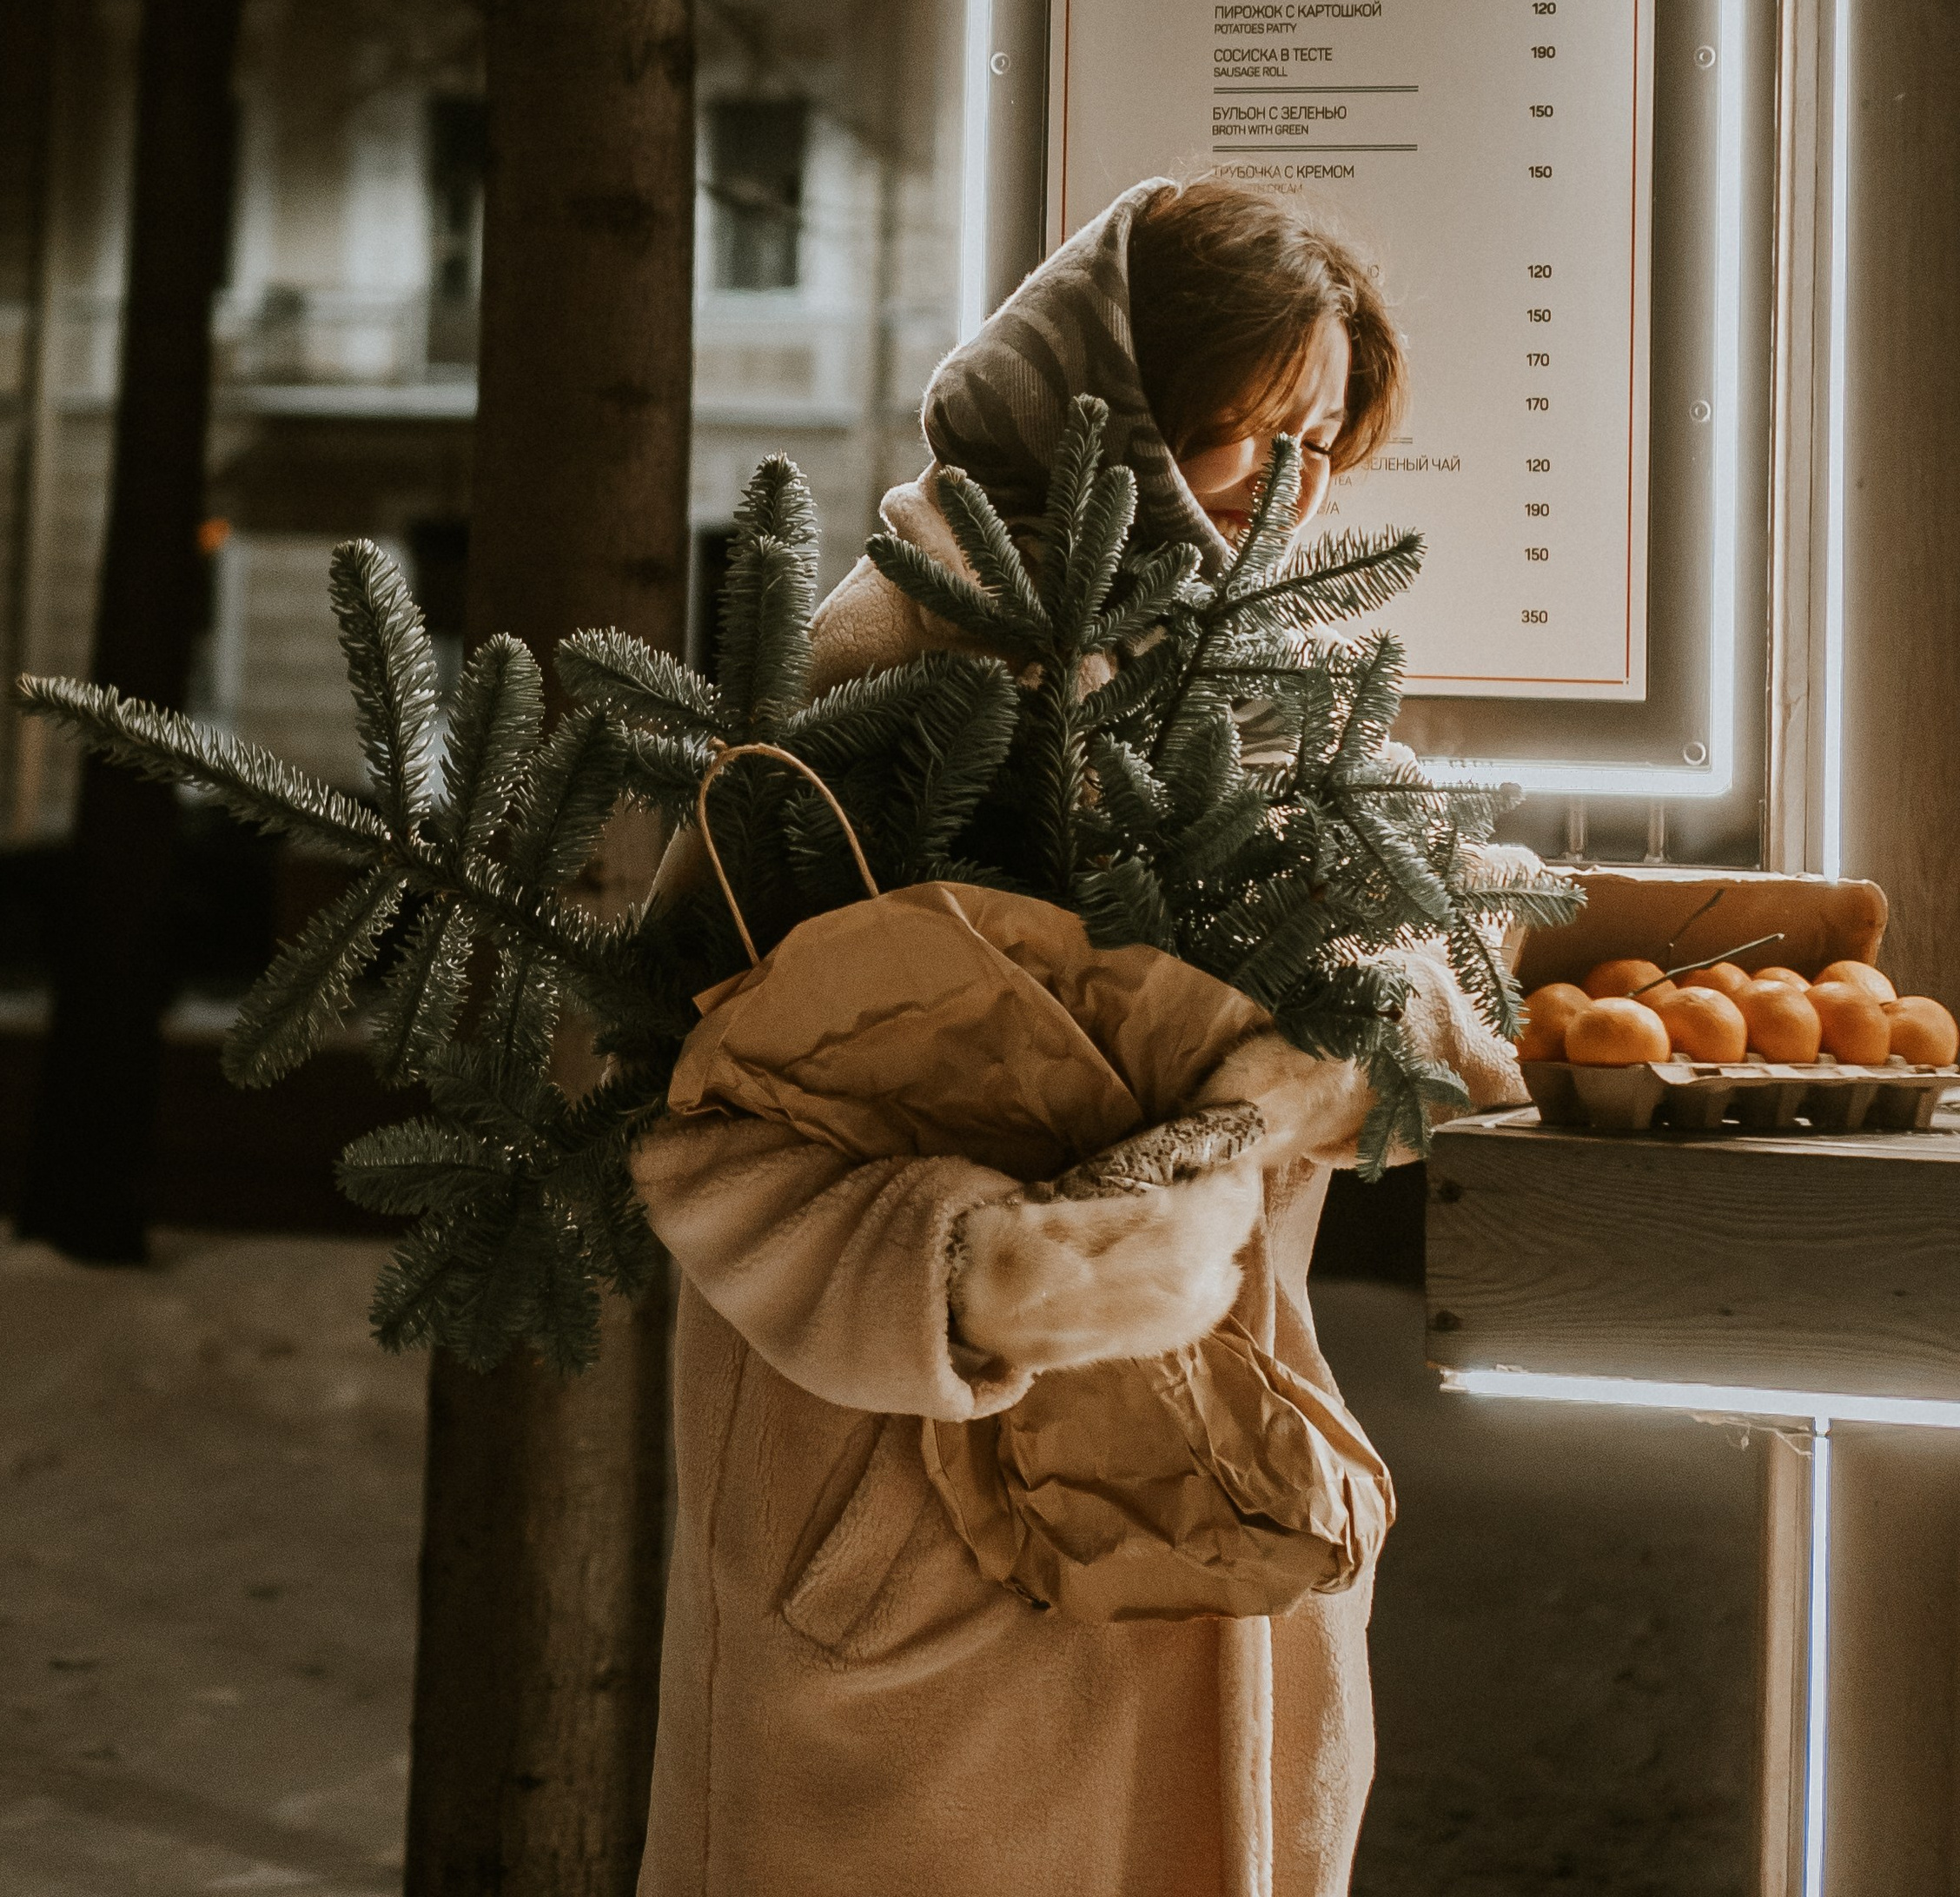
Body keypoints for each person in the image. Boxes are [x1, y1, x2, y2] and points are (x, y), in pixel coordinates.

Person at [629, 181, 1599, 1894]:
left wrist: (1312, 1067)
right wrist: (984, 1270)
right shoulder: (879, 665)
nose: (1283, 486)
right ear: (1120, 412)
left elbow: (1429, 987)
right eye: (1243, 429)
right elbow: (681, 1104)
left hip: (1213, 1501)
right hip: (908, 1518)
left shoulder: (1286, 675)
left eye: (1316, 436)